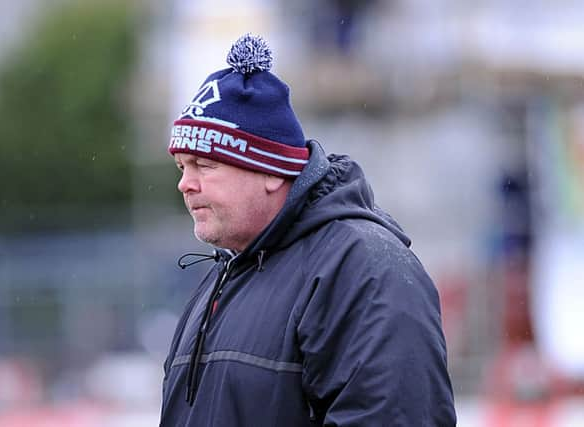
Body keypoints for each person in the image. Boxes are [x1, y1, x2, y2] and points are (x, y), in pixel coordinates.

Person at [160, 33, 456, 427]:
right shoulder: (226, 276)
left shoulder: (362, 270)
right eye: (183, 167)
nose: (185, 183)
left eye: (205, 165)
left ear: (268, 169)